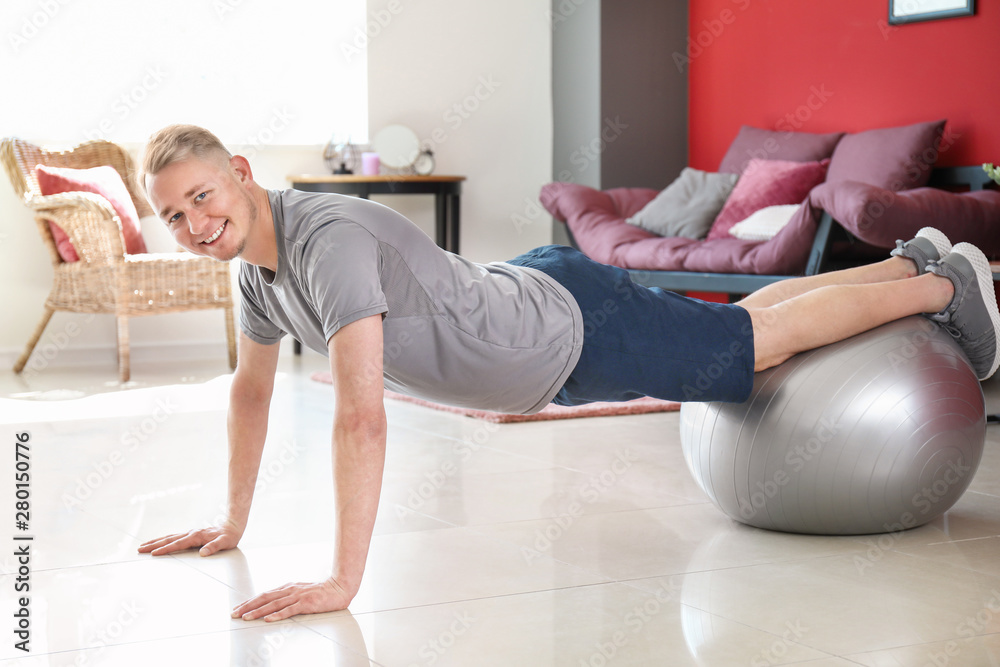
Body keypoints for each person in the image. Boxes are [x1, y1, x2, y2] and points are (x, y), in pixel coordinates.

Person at [136, 124, 1000, 622]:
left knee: (756, 338)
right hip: (542, 302)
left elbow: (361, 416)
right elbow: (251, 392)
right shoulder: (258, 272)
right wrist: (233, 519)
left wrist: (343, 581)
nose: (194, 222)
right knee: (755, 320)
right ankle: (907, 263)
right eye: (174, 215)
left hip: (575, 331)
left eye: (203, 196)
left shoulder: (325, 244)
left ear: (240, 175)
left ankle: (944, 283)